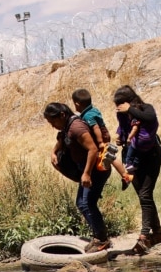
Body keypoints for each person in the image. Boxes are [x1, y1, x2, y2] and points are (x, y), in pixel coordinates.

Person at [44, 102, 111, 252]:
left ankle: (101, 240)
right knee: (82, 203)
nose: (53, 125)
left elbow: (92, 149)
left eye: (53, 121)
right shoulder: (67, 127)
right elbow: (61, 140)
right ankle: (100, 237)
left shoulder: (76, 127)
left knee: (87, 203)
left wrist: (86, 173)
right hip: (86, 169)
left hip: (94, 169)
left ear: (62, 115)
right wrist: (53, 152)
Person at [113, 85, 161, 254]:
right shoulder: (122, 116)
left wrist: (131, 110)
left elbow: (149, 118)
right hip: (132, 161)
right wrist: (121, 138)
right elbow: (123, 130)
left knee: (145, 195)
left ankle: (144, 236)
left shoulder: (146, 108)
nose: (118, 108)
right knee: (145, 197)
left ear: (128, 102)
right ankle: (157, 233)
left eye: (120, 104)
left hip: (150, 158)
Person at [72, 88, 132, 187]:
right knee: (109, 156)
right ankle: (125, 176)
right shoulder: (93, 110)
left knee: (109, 156)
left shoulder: (87, 116)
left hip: (101, 136)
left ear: (77, 104)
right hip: (104, 132)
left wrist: (100, 142)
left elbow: (95, 127)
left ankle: (125, 176)